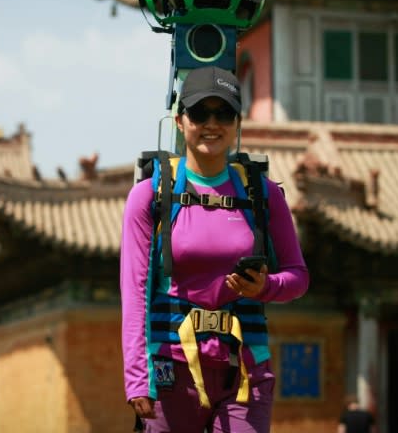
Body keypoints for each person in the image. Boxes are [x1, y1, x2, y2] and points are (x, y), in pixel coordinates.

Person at [120, 65, 310, 433]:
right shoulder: (150, 195)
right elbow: (135, 292)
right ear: (179, 120)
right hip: (169, 366)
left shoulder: (263, 194)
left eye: (223, 112)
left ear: (237, 121)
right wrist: (137, 378)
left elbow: (299, 276)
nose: (212, 123)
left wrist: (266, 287)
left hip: (245, 366)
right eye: (199, 112)